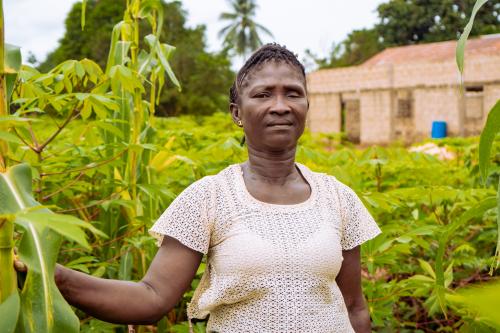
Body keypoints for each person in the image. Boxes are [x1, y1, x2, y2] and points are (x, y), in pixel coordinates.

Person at [16, 44, 381, 332]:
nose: (280, 106)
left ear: (306, 105)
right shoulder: (208, 198)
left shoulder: (338, 197)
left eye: (293, 93)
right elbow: (152, 297)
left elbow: (354, 307)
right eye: (263, 94)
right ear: (237, 113)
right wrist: (53, 276)